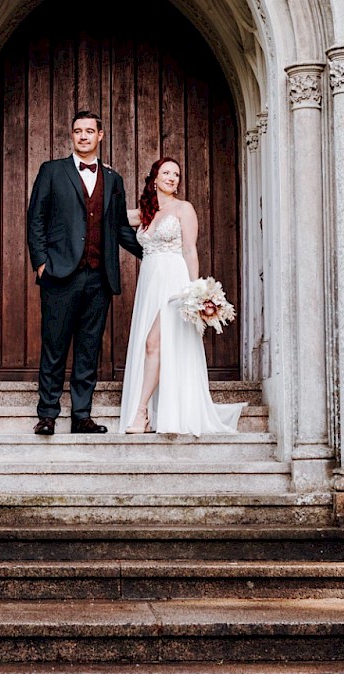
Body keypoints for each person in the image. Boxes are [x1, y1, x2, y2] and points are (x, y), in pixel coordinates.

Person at [26, 110, 141, 435]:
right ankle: (47, 414)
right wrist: (41, 262)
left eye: (90, 131)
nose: (84, 136)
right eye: (78, 131)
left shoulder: (113, 179)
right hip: (59, 274)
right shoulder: (52, 171)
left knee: (89, 348)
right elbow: (36, 217)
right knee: (54, 346)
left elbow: (119, 227)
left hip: (99, 278)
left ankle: (81, 416)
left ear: (100, 135)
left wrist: (153, 254)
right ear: (72, 136)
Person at [118, 156, 244, 436]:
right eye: (166, 173)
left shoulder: (183, 209)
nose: (172, 178)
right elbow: (112, 215)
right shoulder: (145, 213)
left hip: (175, 285)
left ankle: (141, 413)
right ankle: (151, 414)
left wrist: (194, 293)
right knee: (151, 347)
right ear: (154, 178)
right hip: (150, 284)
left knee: (154, 343)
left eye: (176, 174)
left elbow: (189, 250)